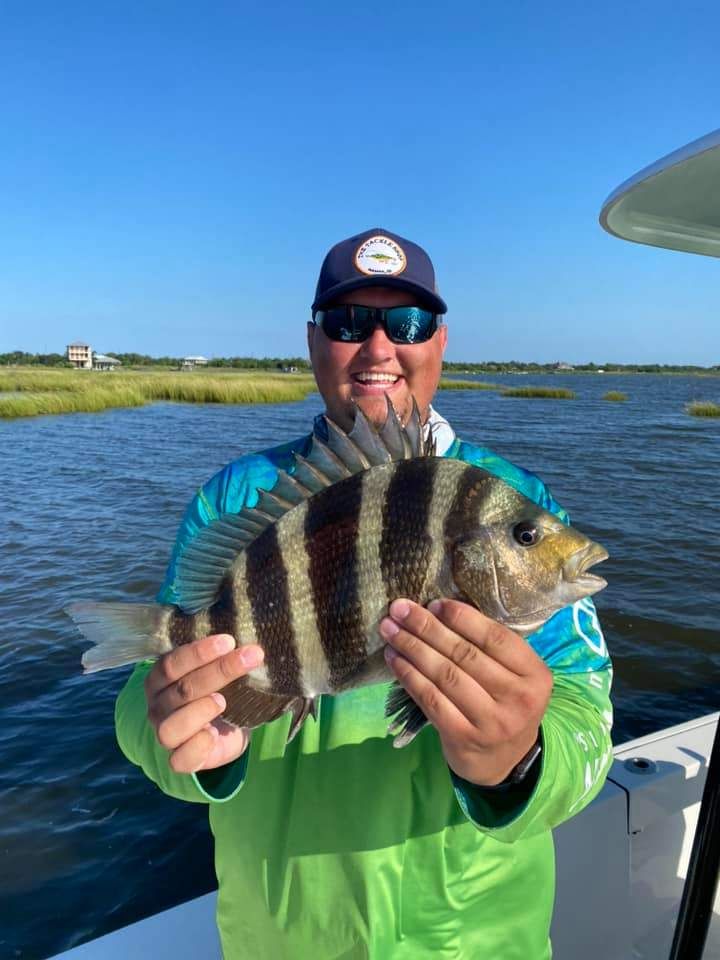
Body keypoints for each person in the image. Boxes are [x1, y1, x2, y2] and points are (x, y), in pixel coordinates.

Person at [115, 228, 613, 960]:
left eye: (406, 323)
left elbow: (589, 720)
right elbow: (144, 709)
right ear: (314, 341)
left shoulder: (510, 499)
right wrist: (188, 744)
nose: (379, 348)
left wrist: (522, 758)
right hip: (282, 941)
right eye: (349, 323)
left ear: (438, 341)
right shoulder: (234, 501)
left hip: (474, 941)